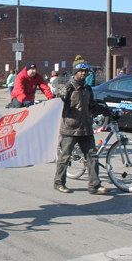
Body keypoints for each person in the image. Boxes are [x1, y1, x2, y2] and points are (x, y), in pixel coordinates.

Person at [55, 62, 110, 195]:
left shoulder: (87, 88)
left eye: (86, 71)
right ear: (75, 73)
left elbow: (92, 106)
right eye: (81, 71)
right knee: (64, 157)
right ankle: (59, 183)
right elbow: (58, 104)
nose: (84, 73)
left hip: (86, 128)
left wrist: (106, 110)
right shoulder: (68, 87)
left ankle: (94, 185)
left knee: (92, 157)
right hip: (70, 129)